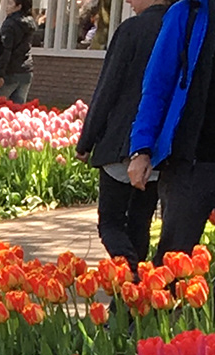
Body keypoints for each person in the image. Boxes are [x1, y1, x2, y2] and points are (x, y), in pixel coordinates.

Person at [131, 0, 215, 268]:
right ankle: (162, 310)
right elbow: (156, 84)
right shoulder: (188, 12)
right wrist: (141, 149)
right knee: (173, 259)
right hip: (191, 161)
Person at [79, 0, 167, 259]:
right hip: (160, 148)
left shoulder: (133, 29)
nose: (128, 0)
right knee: (140, 226)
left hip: (122, 140)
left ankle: (131, 276)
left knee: (111, 223)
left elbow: (108, 88)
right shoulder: (184, 29)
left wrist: (86, 141)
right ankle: (131, 296)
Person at [0, 0, 34, 94]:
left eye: (10, 3)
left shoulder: (10, 24)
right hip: (26, 70)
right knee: (18, 108)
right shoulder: (29, 24)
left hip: (10, 72)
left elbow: (4, 50)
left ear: (19, 6)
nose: (6, 6)